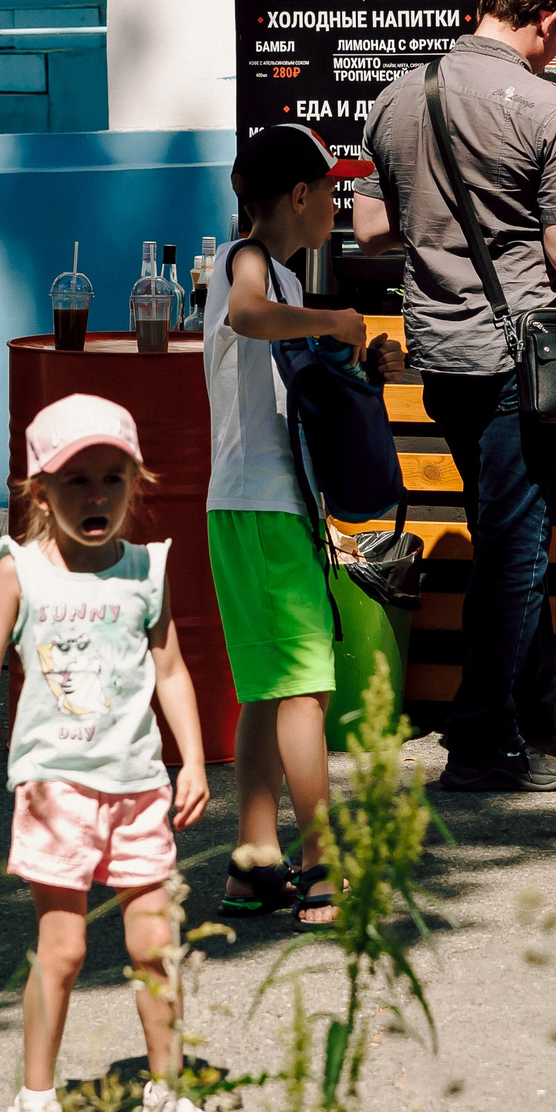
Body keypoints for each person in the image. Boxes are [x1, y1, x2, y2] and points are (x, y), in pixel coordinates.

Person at [350, 0, 556, 793]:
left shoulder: (398, 94)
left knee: (504, 530)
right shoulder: (551, 107)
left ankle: (541, 712)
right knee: (516, 546)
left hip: (441, 351)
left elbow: (370, 231)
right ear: (546, 19)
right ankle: (482, 741)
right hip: (517, 357)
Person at [0, 393, 211, 1112]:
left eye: (112, 479)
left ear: (135, 483)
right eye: (76, 481)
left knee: (155, 947)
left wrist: (191, 758)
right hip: (54, 790)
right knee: (62, 951)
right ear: (41, 491)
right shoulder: (20, 572)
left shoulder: (146, 571)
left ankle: (166, 1092)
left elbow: (171, 670)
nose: (97, 496)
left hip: (138, 787)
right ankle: (35, 1097)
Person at [205, 123, 369, 926]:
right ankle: (320, 863)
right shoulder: (250, 262)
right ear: (300, 196)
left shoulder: (286, 282)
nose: (340, 204)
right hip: (261, 504)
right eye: (333, 190)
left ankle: (255, 860)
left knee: (270, 691)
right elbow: (247, 314)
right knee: (305, 689)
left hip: (260, 504)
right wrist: (331, 322)